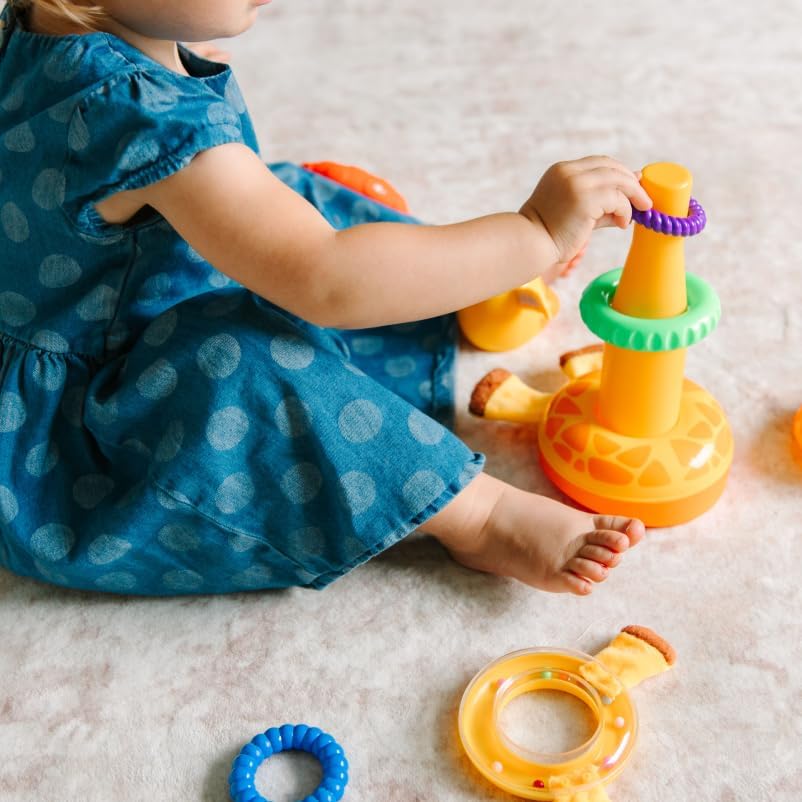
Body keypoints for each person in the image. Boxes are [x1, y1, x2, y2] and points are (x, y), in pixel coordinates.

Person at [0, 0, 651, 598]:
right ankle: (476, 516)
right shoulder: (135, 110)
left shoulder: (38, 31)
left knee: (286, 194)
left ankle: (469, 283)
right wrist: (534, 229)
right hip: (89, 433)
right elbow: (327, 282)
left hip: (86, 307)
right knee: (239, 356)